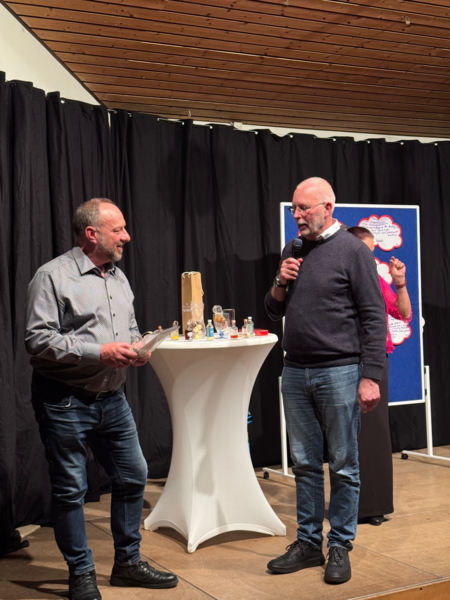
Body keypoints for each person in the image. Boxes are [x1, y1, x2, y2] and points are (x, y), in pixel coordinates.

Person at [25, 199, 178, 600]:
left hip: (112, 398)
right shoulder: (52, 276)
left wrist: (139, 347)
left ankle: (127, 564)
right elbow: (37, 340)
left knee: (133, 476)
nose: (126, 236)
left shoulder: (118, 277)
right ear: (91, 234)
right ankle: (81, 573)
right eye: (118, 230)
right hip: (65, 401)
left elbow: (129, 327)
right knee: (70, 490)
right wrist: (99, 352)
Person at [265, 178, 386, 584]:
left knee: (344, 464)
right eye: (294, 209)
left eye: (304, 208)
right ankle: (307, 543)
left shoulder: (353, 251)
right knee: (304, 463)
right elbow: (272, 311)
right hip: (295, 370)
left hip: (340, 371)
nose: (297, 216)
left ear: (328, 208)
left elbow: (374, 316)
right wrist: (281, 280)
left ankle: (340, 545)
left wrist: (370, 376)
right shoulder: (293, 249)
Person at [348, 226, 412, 526]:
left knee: (374, 431)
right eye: (366, 251)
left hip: (374, 360)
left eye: (372, 252)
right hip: (343, 358)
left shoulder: (375, 279)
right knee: (347, 433)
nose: (371, 258)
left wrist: (399, 283)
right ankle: (350, 505)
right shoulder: (342, 277)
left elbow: (404, 314)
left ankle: (374, 505)